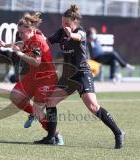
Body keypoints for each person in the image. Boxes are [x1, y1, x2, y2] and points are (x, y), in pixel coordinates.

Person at [29, 5, 125, 149]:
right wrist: (38, 42)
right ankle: (51, 137)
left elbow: (77, 37)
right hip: (68, 76)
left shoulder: (80, 32)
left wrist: (70, 33)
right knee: (50, 102)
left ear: (74, 21)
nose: (64, 26)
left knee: (93, 107)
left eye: (66, 23)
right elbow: (47, 42)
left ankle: (118, 133)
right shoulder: (61, 32)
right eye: (62, 23)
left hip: (82, 74)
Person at [0, 12, 64, 145]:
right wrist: (6, 45)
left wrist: (19, 53)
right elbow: (22, 43)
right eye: (19, 32)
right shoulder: (29, 38)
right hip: (33, 77)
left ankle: (55, 135)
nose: (20, 34)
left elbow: (36, 62)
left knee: (39, 110)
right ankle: (34, 114)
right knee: (15, 96)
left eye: (21, 32)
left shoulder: (37, 41)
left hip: (47, 78)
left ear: (30, 30)